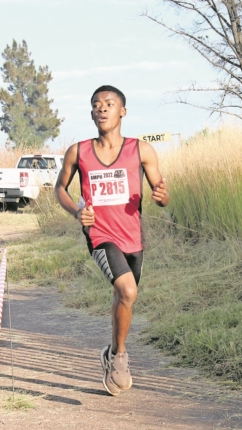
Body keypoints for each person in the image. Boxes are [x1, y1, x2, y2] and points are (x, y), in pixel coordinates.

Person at [55, 85, 170, 396]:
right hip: (100, 235)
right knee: (127, 289)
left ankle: (113, 350)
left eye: (108, 103)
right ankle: (120, 358)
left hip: (133, 237)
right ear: (92, 113)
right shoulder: (78, 151)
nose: (101, 108)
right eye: (96, 104)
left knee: (125, 298)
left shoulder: (141, 150)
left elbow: (162, 195)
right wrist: (77, 212)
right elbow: (60, 188)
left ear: (123, 111)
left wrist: (162, 196)